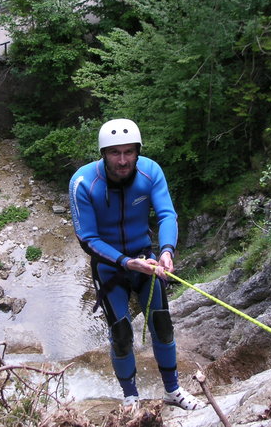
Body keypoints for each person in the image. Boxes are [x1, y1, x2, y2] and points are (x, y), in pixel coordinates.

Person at [69, 119, 205, 410]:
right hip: (109, 266)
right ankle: (131, 398)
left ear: (137, 151)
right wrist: (124, 262)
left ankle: (173, 391)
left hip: (146, 259)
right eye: (115, 153)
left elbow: (167, 215)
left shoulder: (150, 171)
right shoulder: (83, 182)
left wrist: (167, 251)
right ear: (103, 154)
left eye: (129, 152)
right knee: (120, 334)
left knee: (162, 325)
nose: (122, 160)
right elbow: (87, 238)